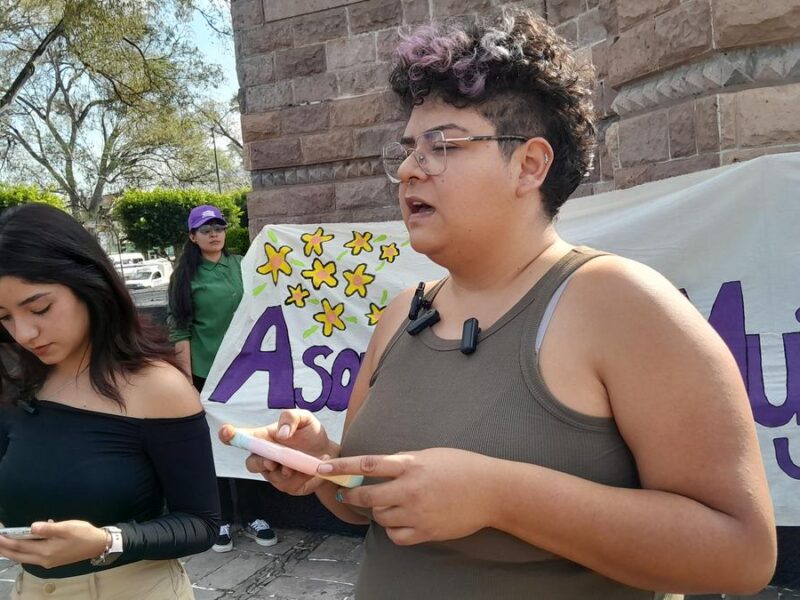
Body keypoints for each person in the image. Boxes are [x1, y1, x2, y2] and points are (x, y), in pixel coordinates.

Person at [221, 10, 778, 600]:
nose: (409, 170)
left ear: (529, 164)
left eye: (442, 147)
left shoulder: (621, 302)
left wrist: (499, 495)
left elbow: (740, 555)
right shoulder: (403, 312)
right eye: (408, 149)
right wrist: (322, 466)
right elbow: (366, 505)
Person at [0, 204, 218, 599]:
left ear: (88, 283)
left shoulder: (157, 386)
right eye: (4, 317)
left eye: (39, 308)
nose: (25, 333)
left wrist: (107, 540)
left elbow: (201, 523)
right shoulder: (17, 379)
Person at [168, 204, 276, 552]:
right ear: (192, 236)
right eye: (205, 229)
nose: (214, 233)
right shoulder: (185, 276)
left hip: (247, 372)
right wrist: (186, 382)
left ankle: (256, 515)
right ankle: (222, 520)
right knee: (215, 449)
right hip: (206, 375)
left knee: (251, 441)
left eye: (219, 226)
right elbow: (179, 330)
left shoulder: (241, 264)